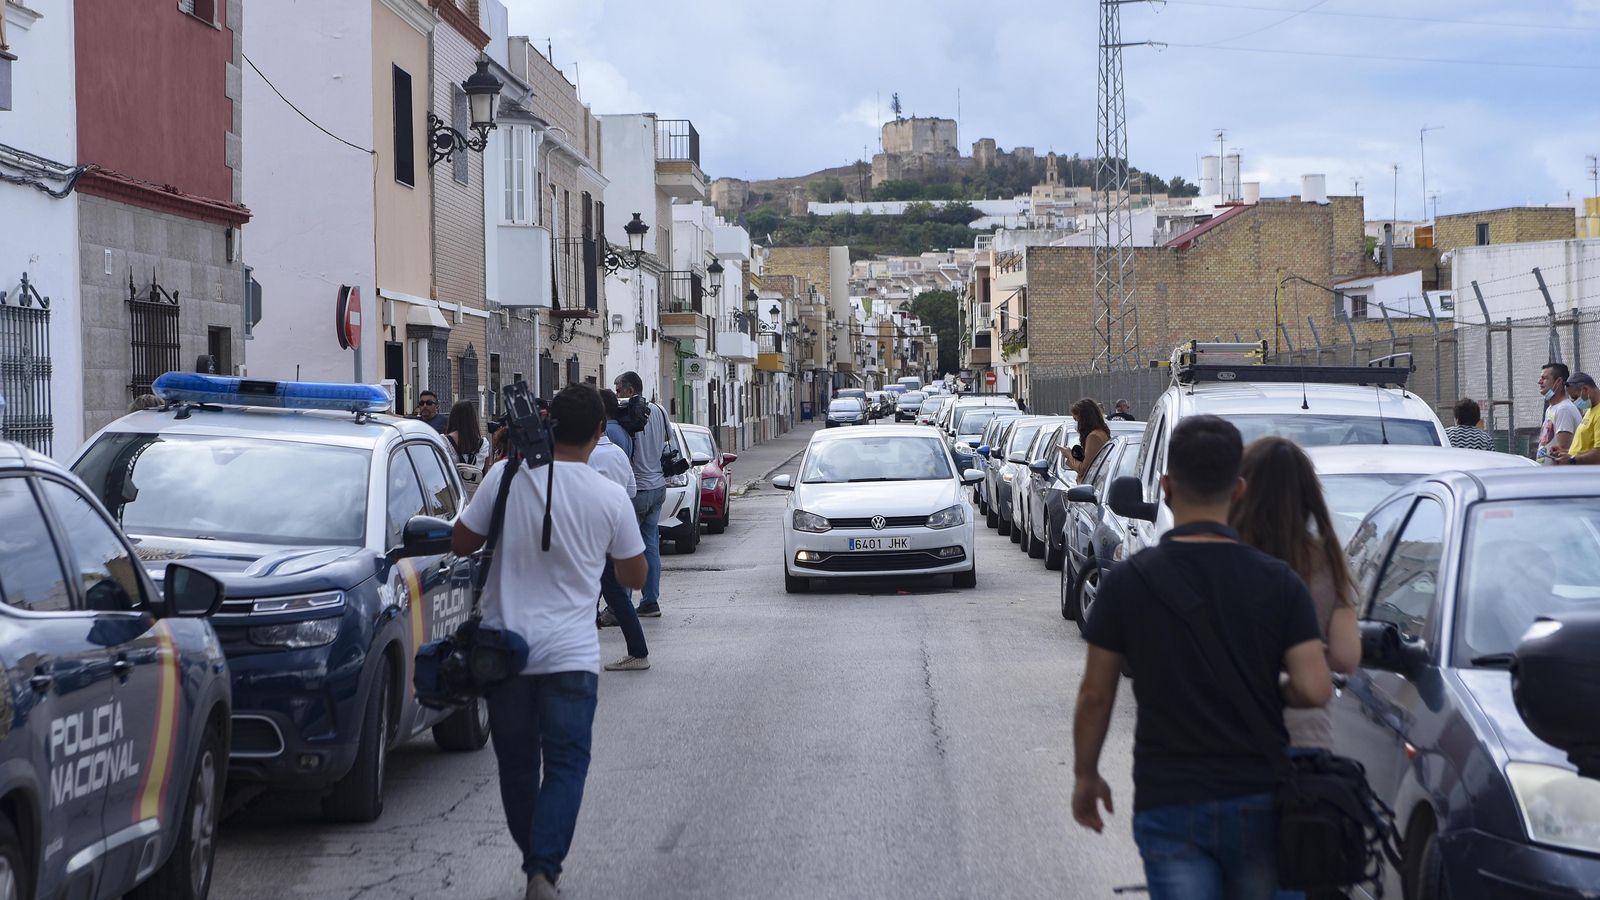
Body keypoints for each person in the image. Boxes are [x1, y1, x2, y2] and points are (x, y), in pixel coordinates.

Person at [1071, 415, 1331, 900]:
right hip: (1260, 797)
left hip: (1170, 799)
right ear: (1237, 490)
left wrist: (1086, 776)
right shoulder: (1279, 582)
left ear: (1166, 487)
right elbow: (1315, 688)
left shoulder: (1129, 581)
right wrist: (1271, 686)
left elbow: (1095, 695)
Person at [451, 384, 646, 900]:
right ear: (600, 431)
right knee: (565, 765)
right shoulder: (607, 495)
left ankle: (536, 864)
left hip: (504, 654)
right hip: (571, 659)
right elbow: (634, 575)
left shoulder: (504, 476)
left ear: (548, 424)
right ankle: (543, 869)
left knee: (517, 766)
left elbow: (461, 541)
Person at [1229, 436, 1359, 751]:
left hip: (1227, 732)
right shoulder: (1326, 561)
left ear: (1241, 489)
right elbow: (1345, 656)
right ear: (1309, 496)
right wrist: (1304, 660)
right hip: (1303, 734)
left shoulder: (1223, 556)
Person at [613, 371, 667, 618]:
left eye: (618, 389)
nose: (616, 395)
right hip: (657, 488)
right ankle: (650, 601)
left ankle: (620, 605)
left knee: (624, 547)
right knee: (651, 546)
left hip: (637, 490)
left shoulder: (625, 415)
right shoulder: (660, 411)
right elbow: (669, 445)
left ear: (630, 390)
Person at [1535, 362, 1581, 465]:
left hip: (1557, 478)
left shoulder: (1564, 410)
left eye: (1544, 378)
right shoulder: (1551, 408)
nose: (1539, 382)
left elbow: (1563, 452)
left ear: (1559, 381)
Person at [1551, 373, 1600, 465]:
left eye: (1575, 397)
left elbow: (1598, 454)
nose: (1574, 402)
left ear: (1585, 389)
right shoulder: (1590, 410)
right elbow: (1587, 447)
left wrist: (1572, 460)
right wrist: (1567, 453)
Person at [1061, 398, 1111, 478]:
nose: (1076, 423)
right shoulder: (1100, 432)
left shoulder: (1093, 437)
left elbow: (1085, 469)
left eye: (1076, 419)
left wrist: (1069, 455)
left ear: (1084, 419)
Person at [444, 400, 490, 469]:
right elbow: (485, 472)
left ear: (453, 417)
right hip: (477, 479)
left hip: (452, 479)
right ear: (473, 418)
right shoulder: (483, 443)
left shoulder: (444, 441)